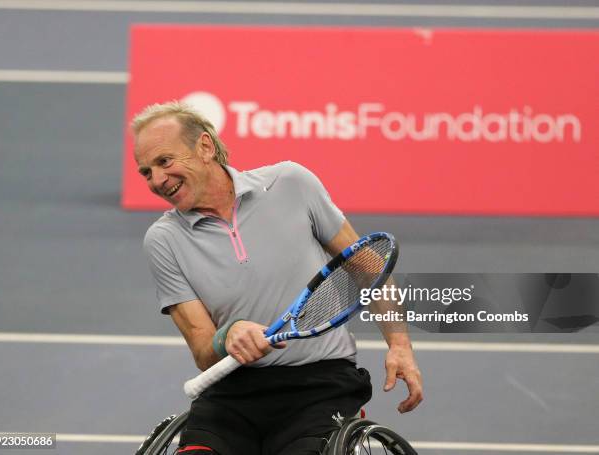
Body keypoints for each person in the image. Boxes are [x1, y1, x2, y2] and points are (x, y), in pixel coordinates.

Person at [132, 101, 423, 455]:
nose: (158, 180)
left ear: (205, 147)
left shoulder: (291, 183)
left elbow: (366, 268)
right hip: (232, 393)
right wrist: (229, 335)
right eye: (146, 172)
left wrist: (400, 346)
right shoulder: (164, 240)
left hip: (320, 385)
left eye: (165, 162)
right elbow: (203, 349)